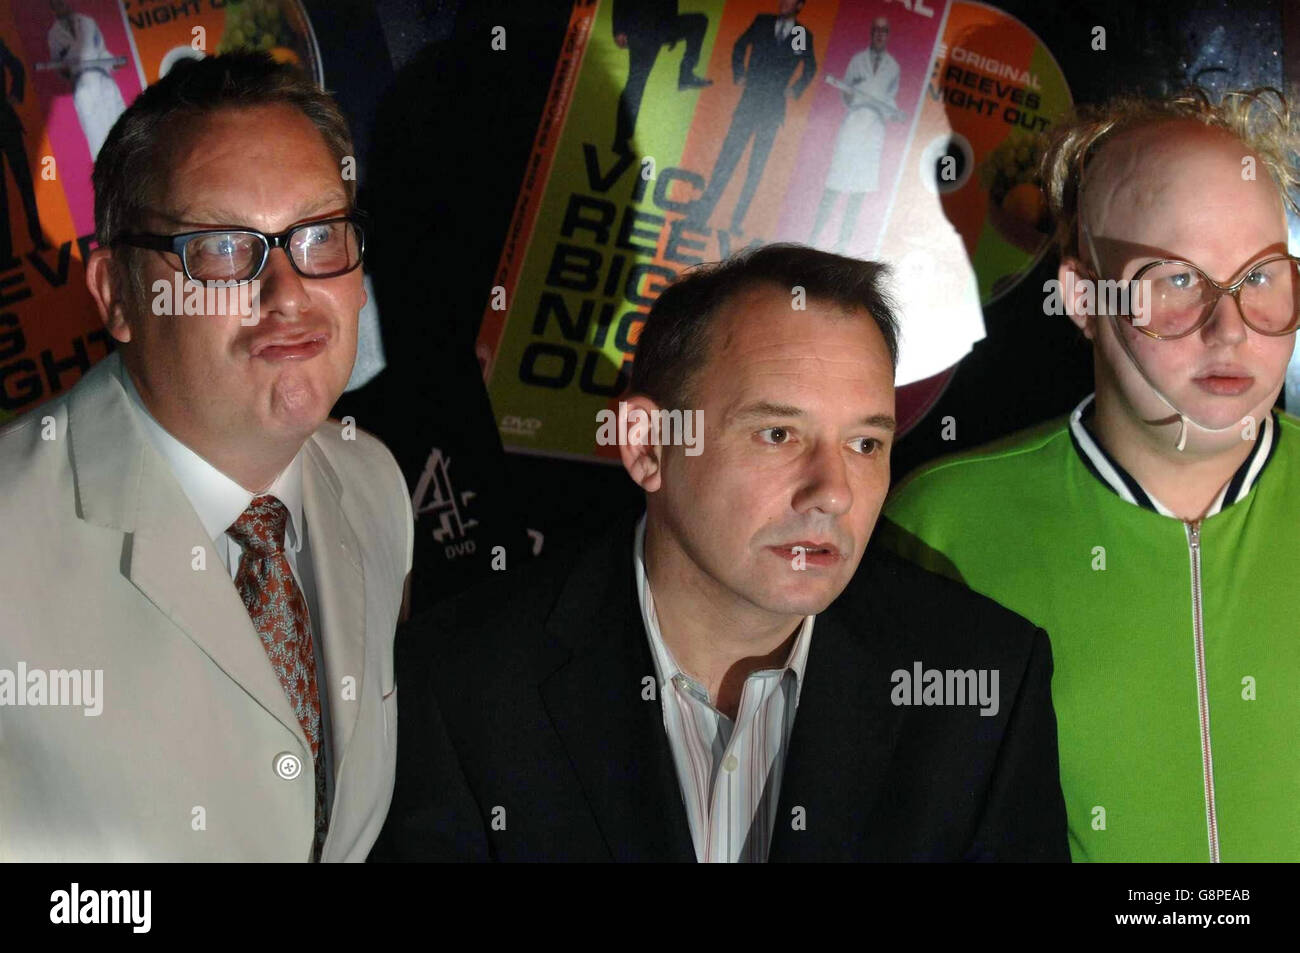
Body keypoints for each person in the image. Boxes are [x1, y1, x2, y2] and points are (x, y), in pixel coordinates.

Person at [374, 244, 1068, 862]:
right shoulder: (464, 687)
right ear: (648, 444)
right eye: (776, 434)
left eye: (865, 443)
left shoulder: (981, 684)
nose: (832, 491)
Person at [0, 53, 413, 861]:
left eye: (320, 234)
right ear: (117, 292)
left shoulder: (376, 485)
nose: (289, 292)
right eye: (222, 248)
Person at [879, 88, 1300, 861]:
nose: (1230, 326)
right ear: (1083, 297)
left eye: (1262, 276)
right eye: (1174, 278)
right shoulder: (940, 528)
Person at [689, 0, 817, 234]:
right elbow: (740, 46)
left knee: (755, 168)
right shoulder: (763, 21)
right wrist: (739, 74)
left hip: (772, 110)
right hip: (749, 103)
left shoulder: (800, 34)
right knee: (726, 160)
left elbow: (809, 66)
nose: (784, 2)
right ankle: (701, 215)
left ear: (800, 4)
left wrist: (795, 89)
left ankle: (735, 222)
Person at [809, 17, 903, 254]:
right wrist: (851, 95)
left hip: (874, 133)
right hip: (853, 126)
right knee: (835, 183)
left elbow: (890, 100)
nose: (880, 34)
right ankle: (813, 236)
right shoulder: (857, 61)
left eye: (884, 31)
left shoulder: (893, 67)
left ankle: (842, 245)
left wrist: (895, 115)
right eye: (876, 30)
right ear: (871, 34)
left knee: (859, 191)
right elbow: (846, 93)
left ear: (888, 35)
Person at [611, 0, 712, 154]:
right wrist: (618, 29)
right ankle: (621, 140)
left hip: (664, 25)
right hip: (640, 29)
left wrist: (672, 33)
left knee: (699, 21)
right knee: (636, 83)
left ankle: (686, 75)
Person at [46, 0, 127, 159]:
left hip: (104, 81)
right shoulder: (54, 35)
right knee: (97, 138)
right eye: (56, 4)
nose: (60, 6)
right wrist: (68, 69)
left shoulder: (88, 23)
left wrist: (114, 62)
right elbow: (59, 67)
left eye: (62, 2)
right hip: (84, 87)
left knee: (121, 130)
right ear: (52, 8)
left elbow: (102, 52)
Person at [0, 38, 49, 270]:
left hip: (6, 120)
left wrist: (14, 95)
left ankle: (37, 238)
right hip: (6, 120)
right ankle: (5, 254)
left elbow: (17, 67)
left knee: (25, 184)